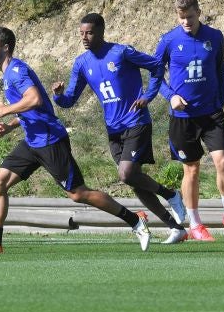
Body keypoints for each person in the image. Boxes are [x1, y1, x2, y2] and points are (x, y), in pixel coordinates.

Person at [0, 26, 151, 254]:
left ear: (5, 48)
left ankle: (135, 220)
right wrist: (11, 125)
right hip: (33, 140)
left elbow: (33, 99)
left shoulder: (16, 71)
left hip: (50, 140)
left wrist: (5, 110)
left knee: (78, 194)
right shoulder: (8, 74)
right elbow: (39, 106)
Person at [52, 13, 188, 244]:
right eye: (82, 33)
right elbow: (69, 101)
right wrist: (57, 96)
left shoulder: (121, 52)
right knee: (133, 180)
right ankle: (175, 227)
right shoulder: (82, 63)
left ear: (102, 32)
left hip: (136, 122)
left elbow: (156, 67)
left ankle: (171, 195)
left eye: (90, 32)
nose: (84, 37)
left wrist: (148, 96)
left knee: (125, 174)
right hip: (113, 130)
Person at [145, 0, 224, 241]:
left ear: (199, 12)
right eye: (181, 18)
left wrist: (220, 96)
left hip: (211, 112)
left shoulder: (215, 36)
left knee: (222, 161)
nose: (186, 23)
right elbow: (155, 76)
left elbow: (220, 68)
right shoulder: (168, 40)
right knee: (191, 169)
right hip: (183, 117)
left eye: (190, 17)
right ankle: (195, 224)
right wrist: (170, 96)